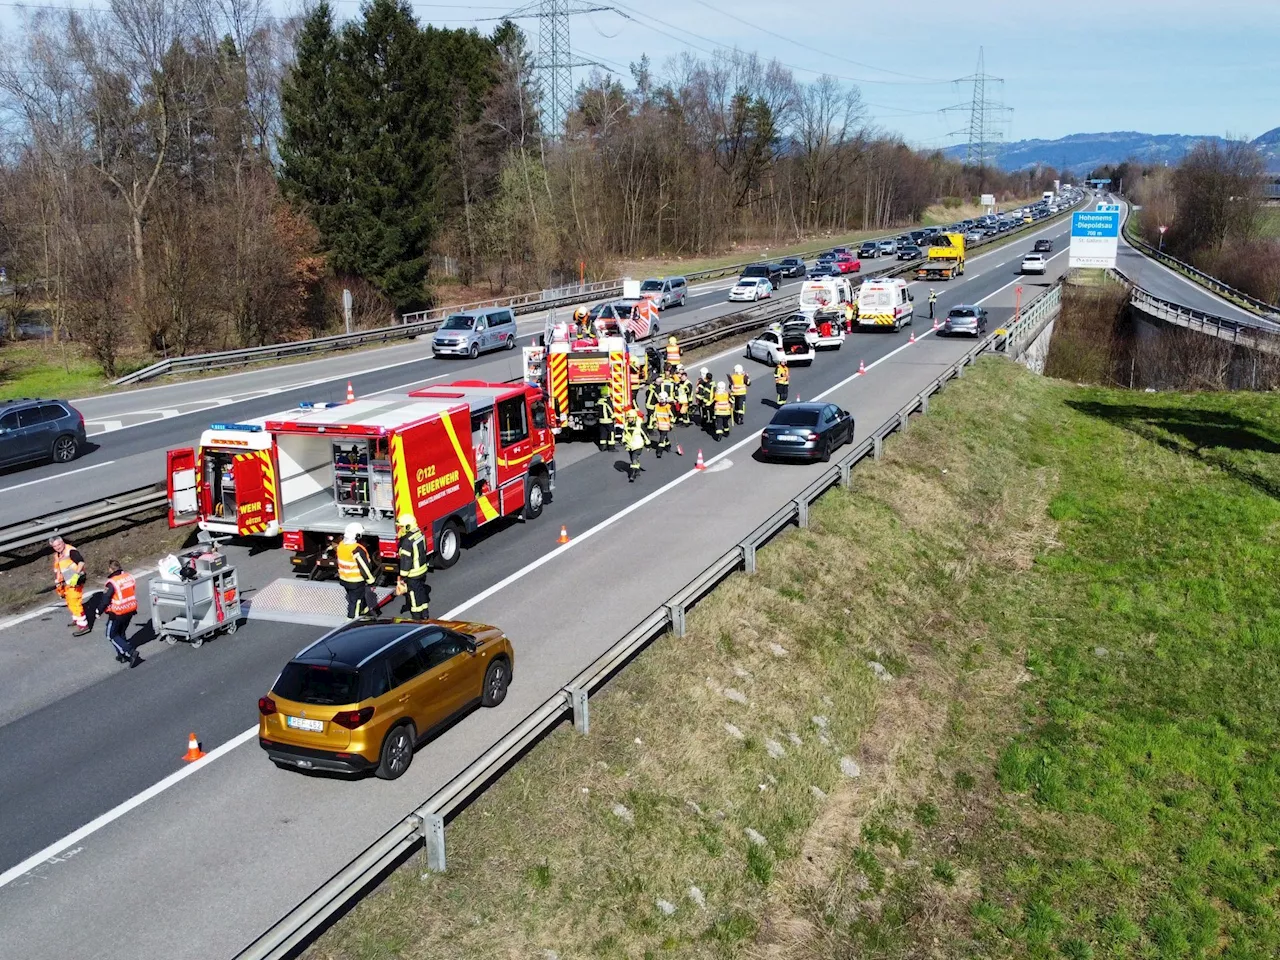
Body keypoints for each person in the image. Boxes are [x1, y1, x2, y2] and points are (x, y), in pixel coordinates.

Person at [97, 559, 141, 668]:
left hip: (118, 612)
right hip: (130, 609)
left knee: (111, 635)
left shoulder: (112, 582)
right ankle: (121, 655)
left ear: (110, 569)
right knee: (120, 633)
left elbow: (106, 599)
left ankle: (130, 652)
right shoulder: (129, 577)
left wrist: (99, 611)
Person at [336, 522, 379, 619]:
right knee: (355, 602)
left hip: (344, 579)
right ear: (357, 536)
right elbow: (364, 568)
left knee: (354, 598)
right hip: (356, 581)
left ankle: (363, 612)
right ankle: (351, 621)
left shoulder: (341, 545)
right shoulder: (357, 549)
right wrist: (371, 581)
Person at [49, 535, 89, 636]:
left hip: (75, 581)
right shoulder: (58, 555)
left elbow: (81, 562)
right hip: (67, 581)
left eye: (59, 544)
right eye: (55, 546)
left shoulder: (71, 551)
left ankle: (83, 625)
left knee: (75, 602)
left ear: (63, 542)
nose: (58, 547)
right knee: (70, 601)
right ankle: (76, 619)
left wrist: (76, 576)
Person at [396, 514, 430, 619]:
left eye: (401, 527)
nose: (400, 529)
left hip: (413, 573)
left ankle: (417, 616)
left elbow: (406, 561)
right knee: (421, 591)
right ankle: (425, 613)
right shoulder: (419, 534)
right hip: (422, 569)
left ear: (408, 526)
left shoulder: (407, 542)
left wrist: (402, 576)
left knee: (413, 595)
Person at [623, 409, 648, 482]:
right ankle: (637, 470)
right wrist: (624, 442)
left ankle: (632, 475)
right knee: (632, 458)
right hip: (630, 446)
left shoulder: (639, 424)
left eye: (630, 417)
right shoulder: (626, 425)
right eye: (628, 418)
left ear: (634, 417)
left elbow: (644, 434)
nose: (629, 419)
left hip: (638, 445)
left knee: (634, 459)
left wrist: (648, 444)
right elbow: (624, 435)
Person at [652, 390, 673, 457]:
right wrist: (654, 422)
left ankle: (659, 452)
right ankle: (668, 445)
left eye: (664, 402)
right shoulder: (656, 406)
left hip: (666, 426)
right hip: (659, 425)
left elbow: (673, 416)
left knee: (661, 439)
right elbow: (654, 415)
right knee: (664, 437)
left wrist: (671, 423)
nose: (663, 403)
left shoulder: (669, 407)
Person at [596, 385, 616, 451]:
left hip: (601, 421)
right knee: (611, 433)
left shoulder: (599, 402)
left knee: (603, 433)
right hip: (608, 421)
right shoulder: (608, 401)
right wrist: (613, 418)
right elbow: (610, 410)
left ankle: (602, 447)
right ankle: (611, 447)